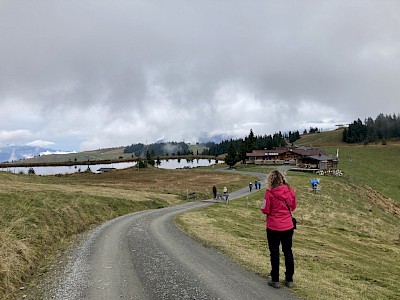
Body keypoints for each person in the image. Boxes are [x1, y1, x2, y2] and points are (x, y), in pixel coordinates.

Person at [261, 170, 296, 289]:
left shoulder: (269, 193)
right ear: (282, 179)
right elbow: (293, 206)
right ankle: (289, 279)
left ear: (270, 180)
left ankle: (275, 279)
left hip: (273, 227)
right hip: (287, 226)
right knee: (288, 252)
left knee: (274, 253)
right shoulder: (290, 191)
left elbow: (265, 210)